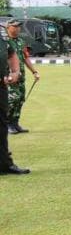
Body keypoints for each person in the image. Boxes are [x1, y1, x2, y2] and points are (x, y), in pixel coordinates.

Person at [0, 25, 29, 175]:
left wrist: (16, 71)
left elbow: (11, 54)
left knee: (2, 126)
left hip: (2, 86)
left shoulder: (2, 35)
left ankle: (4, 164)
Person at [6, 19, 40, 134]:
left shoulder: (21, 41)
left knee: (20, 99)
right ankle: (8, 124)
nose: (17, 28)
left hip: (21, 76)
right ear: (8, 27)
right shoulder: (4, 42)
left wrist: (34, 71)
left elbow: (25, 58)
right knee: (12, 99)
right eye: (15, 26)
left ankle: (15, 123)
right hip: (9, 77)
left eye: (19, 26)